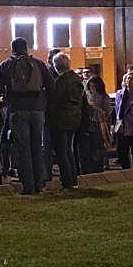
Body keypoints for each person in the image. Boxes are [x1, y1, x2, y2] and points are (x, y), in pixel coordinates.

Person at [0, 37, 52, 195]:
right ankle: (40, 182)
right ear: (26, 48)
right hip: (37, 109)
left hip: (18, 109)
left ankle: (28, 185)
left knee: (23, 148)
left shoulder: (7, 64)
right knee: (37, 146)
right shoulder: (39, 63)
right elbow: (51, 85)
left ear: (12, 49)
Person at [47, 52, 84, 189]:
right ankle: (73, 179)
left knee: (62, 151)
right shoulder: (76, 79)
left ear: (56, 66)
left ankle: (67, 180)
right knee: (69, 150)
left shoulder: (61, 81)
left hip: (61, 119)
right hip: (74, 118)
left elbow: (54, 101)